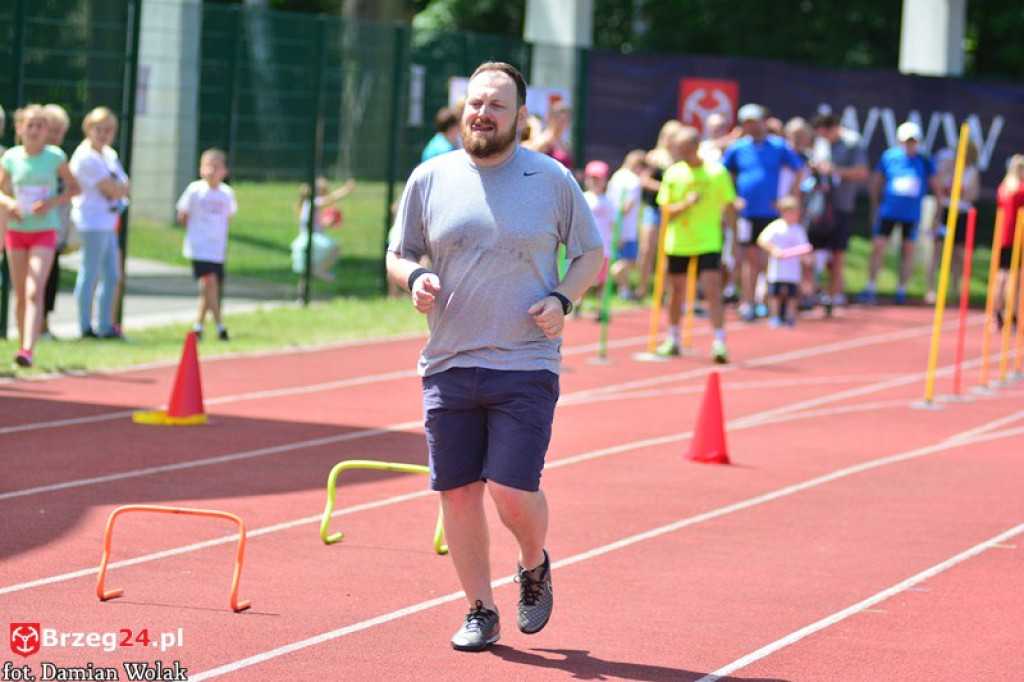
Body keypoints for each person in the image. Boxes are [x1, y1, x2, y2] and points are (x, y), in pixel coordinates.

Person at [385, 61, 604, 653]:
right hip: (449, 360)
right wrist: (413, 278)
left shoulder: (551, 179)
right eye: (475, 103)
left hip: (526, 360)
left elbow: (591, 256)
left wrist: (563, 298)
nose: (481, 113)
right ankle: (480, 608)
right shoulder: (429, 178)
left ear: (521, 116)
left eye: (496, 105)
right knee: (457, 492)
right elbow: (398, 253)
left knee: (510, 490)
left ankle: (533, 563)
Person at [0, 104, 80, 367]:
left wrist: (51, 203)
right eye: (30, 125)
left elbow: (74, 188)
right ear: (20, 128)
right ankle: (21, 343)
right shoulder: (11, 158)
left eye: (40, 125)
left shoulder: (55, 156)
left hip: (44, 230)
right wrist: (9, 204)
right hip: (17, 230)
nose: (34, 130)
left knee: (35, 290)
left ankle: (28, 349)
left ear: (47, 131)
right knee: (20, 293)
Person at [654, 125, 737, 363]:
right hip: (678, 240)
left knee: (712, 289)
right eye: (680, 151)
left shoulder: (717, 173)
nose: (683, 155)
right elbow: (665, 210)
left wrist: (734, 240)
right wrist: (686, 204)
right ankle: (673, 339)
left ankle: (719, 342)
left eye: (686, 150)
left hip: (708, 240)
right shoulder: (673, 173)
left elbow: (729, 207)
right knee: (677, 290)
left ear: (697, 147)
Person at [722, 103, 805, 321]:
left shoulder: (779, 146)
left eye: (754, 121)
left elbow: (799, 170)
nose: (751, 126)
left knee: (768, 258)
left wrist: (788, 197)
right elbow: (723, 174)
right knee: (748, 257)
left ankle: (767, 301)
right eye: (747, 123)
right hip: (747, 212)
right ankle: (748, 302)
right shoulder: (737, 148)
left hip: (770, 212)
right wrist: (732, 198)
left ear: (763, 122)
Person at [860, 121, 937, 305]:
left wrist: (937, 214)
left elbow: (937, 186)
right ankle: (871, 286)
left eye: (913, 141)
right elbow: (876, 182)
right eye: (906, 141)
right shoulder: (889, 157)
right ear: (899, 141)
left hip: (911, 215)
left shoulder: (925, 161)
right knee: (878, 247)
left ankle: (901, 289)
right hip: (888, 212)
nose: (910, 144)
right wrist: (874, 207)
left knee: (908, 251)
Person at [69, 106, 130, 339]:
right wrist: (117, 189)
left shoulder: (109, 155)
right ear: (88, 129)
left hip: (108, 221)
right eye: (99, 129)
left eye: (108, 130)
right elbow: (112, 188)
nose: (103, 134)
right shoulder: (85, 156)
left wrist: (118, 189)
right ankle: (85, 326)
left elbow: (124, 185)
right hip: (91, 221)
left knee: (112, 275)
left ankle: (105, 325)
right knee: (90, 272)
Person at [809, 112, 869, 312]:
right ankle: (812, 294)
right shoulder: (821, 143)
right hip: (820, 206)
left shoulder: (853, 142)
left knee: (837, 255)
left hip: (842, 206)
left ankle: (832, 298)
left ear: (834, 127)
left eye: (826, 133)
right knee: (812, 252)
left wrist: (835, 170)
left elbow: (862, 172)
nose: (823, 138)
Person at [176, 148, 237, 341]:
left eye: (216, 166)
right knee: (209, 282)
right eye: (208, 166)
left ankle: (199, 326)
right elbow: (183, 215)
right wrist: (197, 232)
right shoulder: (195, 190)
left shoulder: (226, 194)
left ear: (225, 171)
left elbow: (229, 217)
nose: (211, 170)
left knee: (210, 287)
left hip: (216, 248)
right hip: (200, 247)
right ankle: (220, 325)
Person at [926, 141, 980, 303]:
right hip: (944, 211)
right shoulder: (947, 167)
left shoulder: (972, 172)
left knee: (958, 254)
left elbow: (972, 195)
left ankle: (955, 290)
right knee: (936, 250)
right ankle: (931, 289)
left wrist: (960, 191)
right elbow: (938, 188)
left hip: (961, 214)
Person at [635, 119, 682, 298]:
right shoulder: (655, 157)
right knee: (647, 249)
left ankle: (664, 290)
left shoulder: (680, 159)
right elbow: (645, 180)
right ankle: (641, 287)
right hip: (654, 208)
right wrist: (665, 188)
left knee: (668, 252)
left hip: (672, 210)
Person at [40, 103, 72, 340]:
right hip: (34, 227)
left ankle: (44, 323)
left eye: (61, 131)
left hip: (55, 229)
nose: (57, 136)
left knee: (51, 278)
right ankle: (36, 325)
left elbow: (73, 188)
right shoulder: (36, 157)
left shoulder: (60, 158)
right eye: (53, 130)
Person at [757, 195, 812, 328]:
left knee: (792, 294)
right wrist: (774, 250)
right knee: (774, 293)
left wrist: (806, 259)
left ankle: (790, 317)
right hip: (777, 269)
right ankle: (774, 316)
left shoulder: (798, 229)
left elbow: (804, 247)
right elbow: (762, 240)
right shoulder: (776, 226)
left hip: (792, 270)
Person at [290, 176, 355, 283]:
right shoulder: (314, 202)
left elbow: (316, 225)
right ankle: (320, 270)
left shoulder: (308, 205)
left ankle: (302, 296)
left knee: (306, 271)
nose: (326, 193)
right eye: (324, 191)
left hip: (306, 238)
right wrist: (346, 190)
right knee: (335, 247)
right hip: (312, 238)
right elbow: (331, 199)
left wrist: (327, 222)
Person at [605, 150, 645, 299]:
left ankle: (624, 290)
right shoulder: (633, 180)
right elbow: (627, 206)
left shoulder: (616, 176)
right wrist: (618, 226)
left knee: (622, 259)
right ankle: (607, 274)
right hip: (626, 228)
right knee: (629, 261)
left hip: (614, 225)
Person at [995, 154, 1024, 327]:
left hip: (1002, 236)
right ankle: (1011, 313)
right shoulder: (1020, 189)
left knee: (1001, 276)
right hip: (1015, 237)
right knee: (1014, 277)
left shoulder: (1003, 187)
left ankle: (998, 312)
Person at [582, 159, 615, 311]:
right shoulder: (583, 197)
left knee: (602, 280)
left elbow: (612, 224)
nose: (595, 183)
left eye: (599, 179)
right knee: (582, 278)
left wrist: (614, 240)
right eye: (592, 179)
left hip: (603, 247)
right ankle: (577, 304)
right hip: (584, 247)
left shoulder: (608, 201)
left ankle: (603, 308)